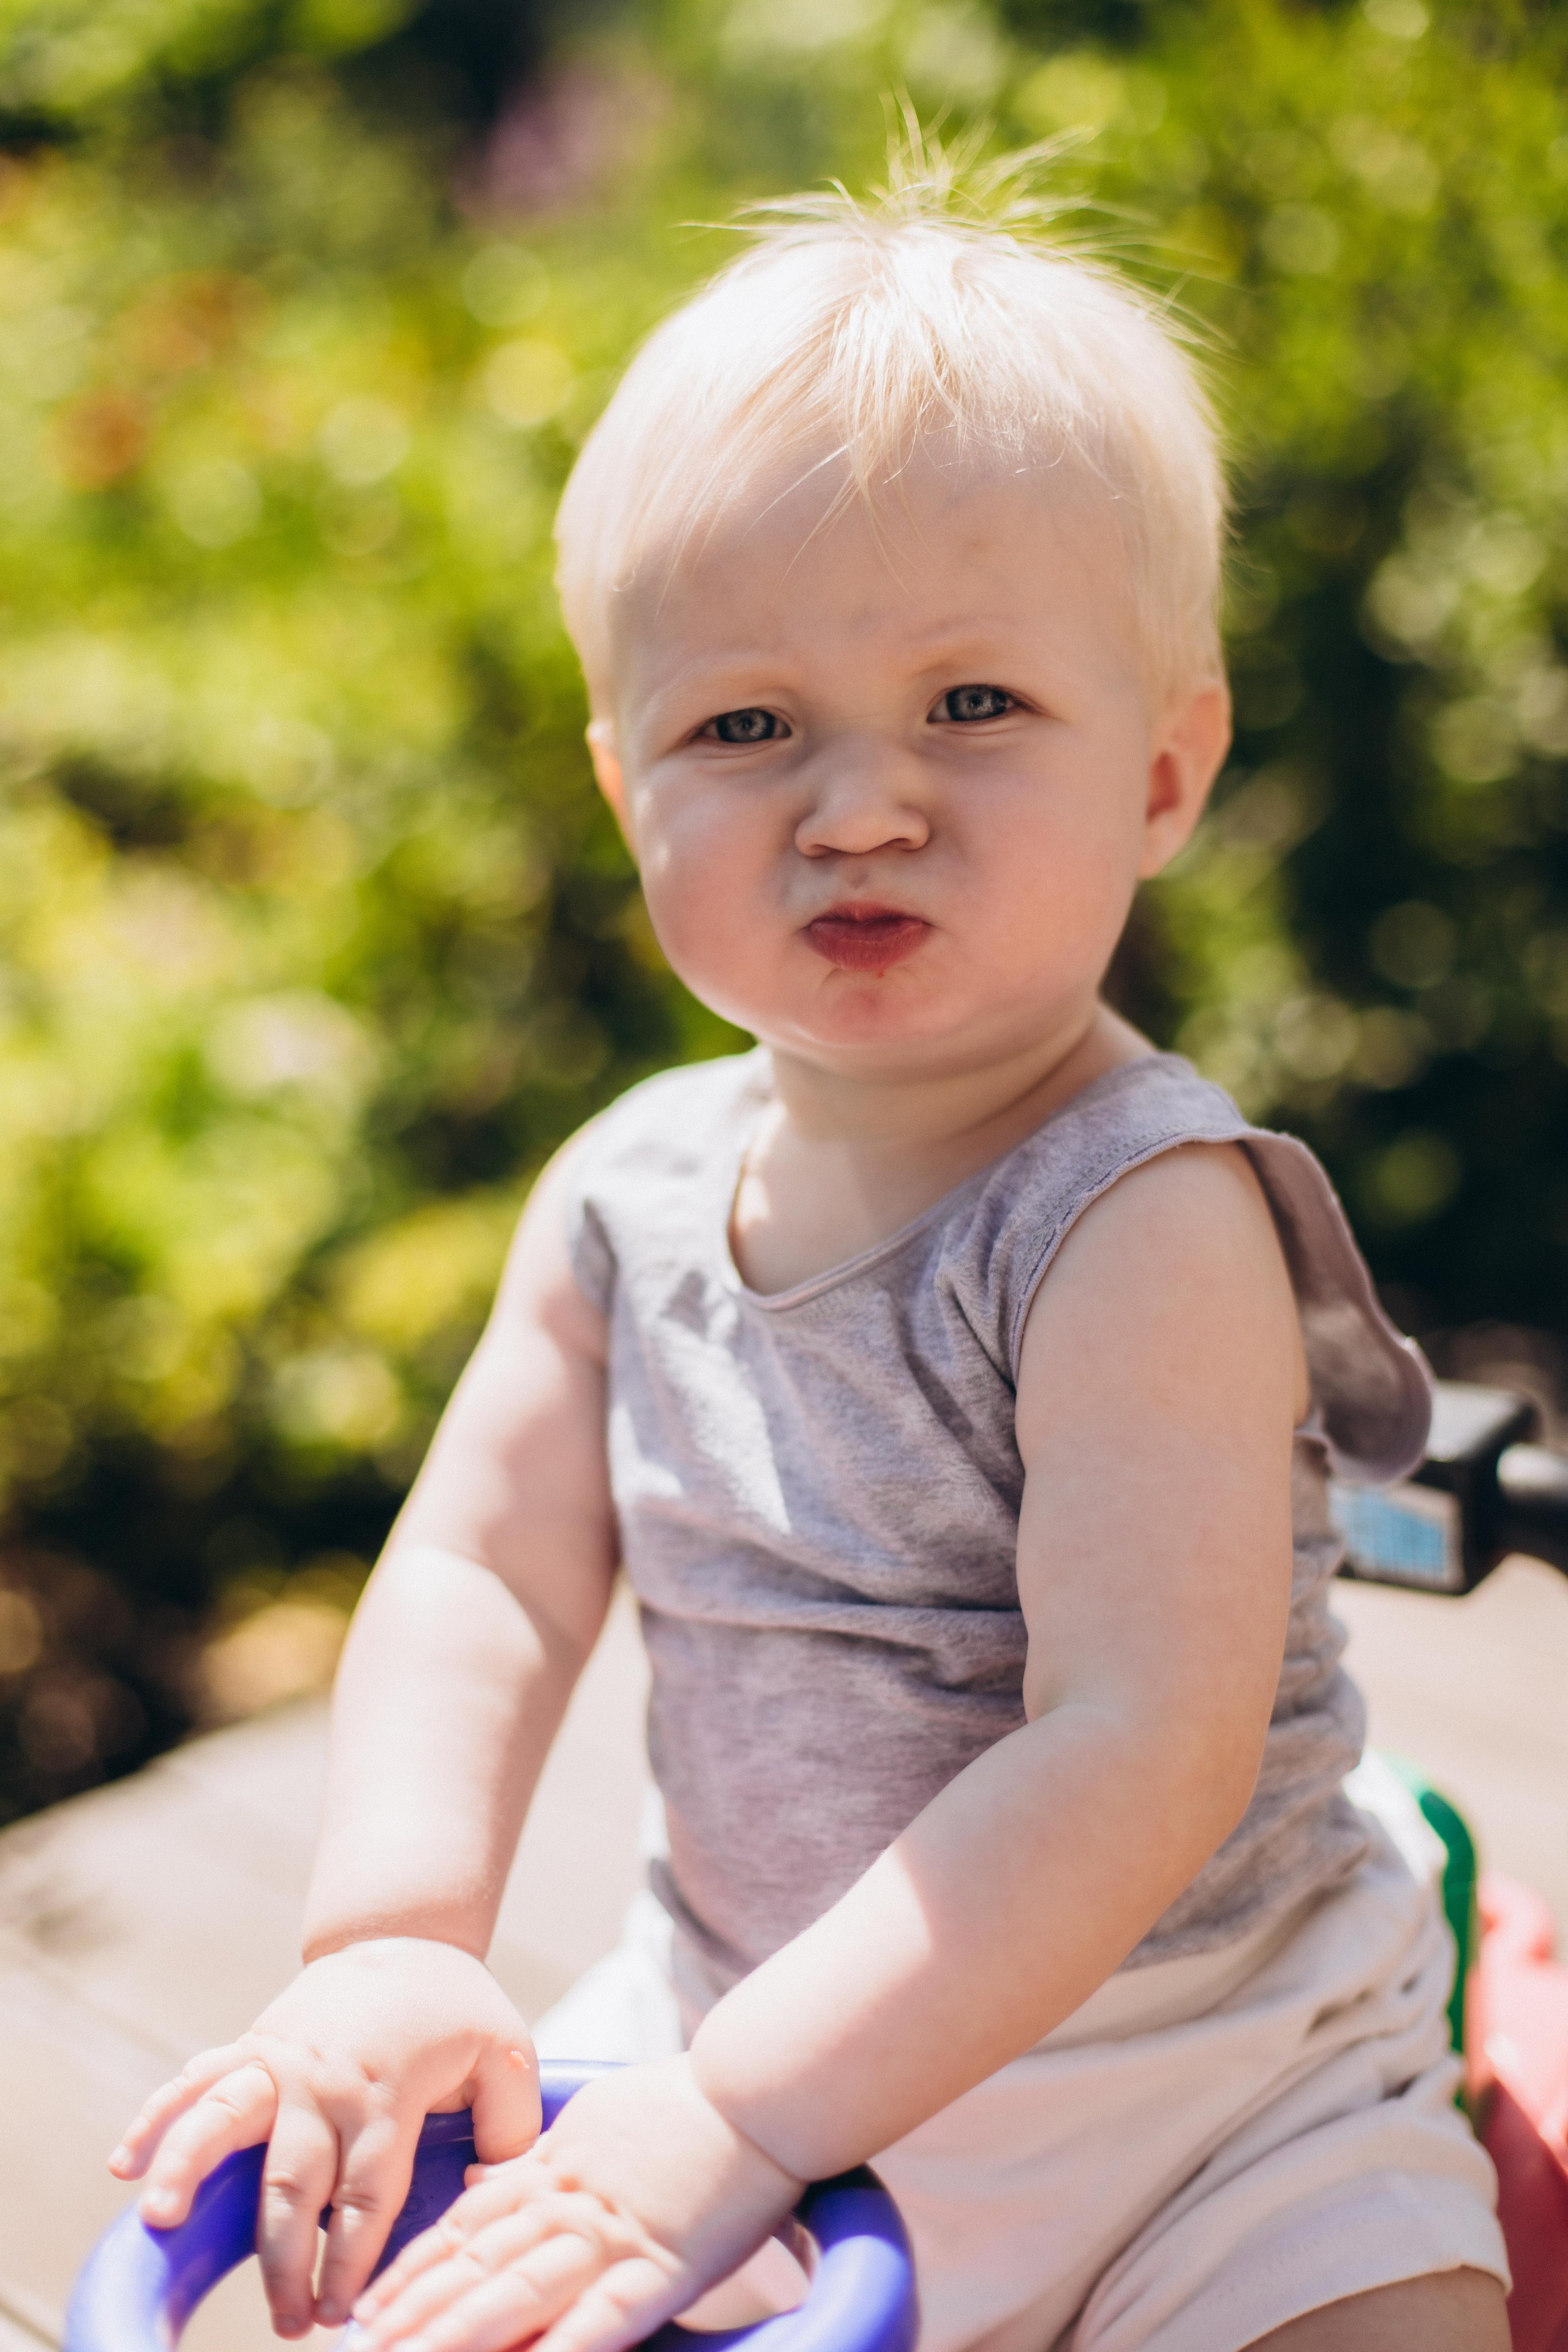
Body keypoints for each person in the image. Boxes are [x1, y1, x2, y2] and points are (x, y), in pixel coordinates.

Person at [108, 155, 1511, 2352]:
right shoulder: (626, 1194)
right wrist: (389, 1933)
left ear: (1162, 771)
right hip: (737, 2021)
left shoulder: (1141, 1221)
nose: (860, 805)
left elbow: (1136, 1748)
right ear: (621, 780)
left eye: (975, 707)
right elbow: (484, 1572)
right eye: (747, 725)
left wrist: (736, 2121)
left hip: (1203, 2080)